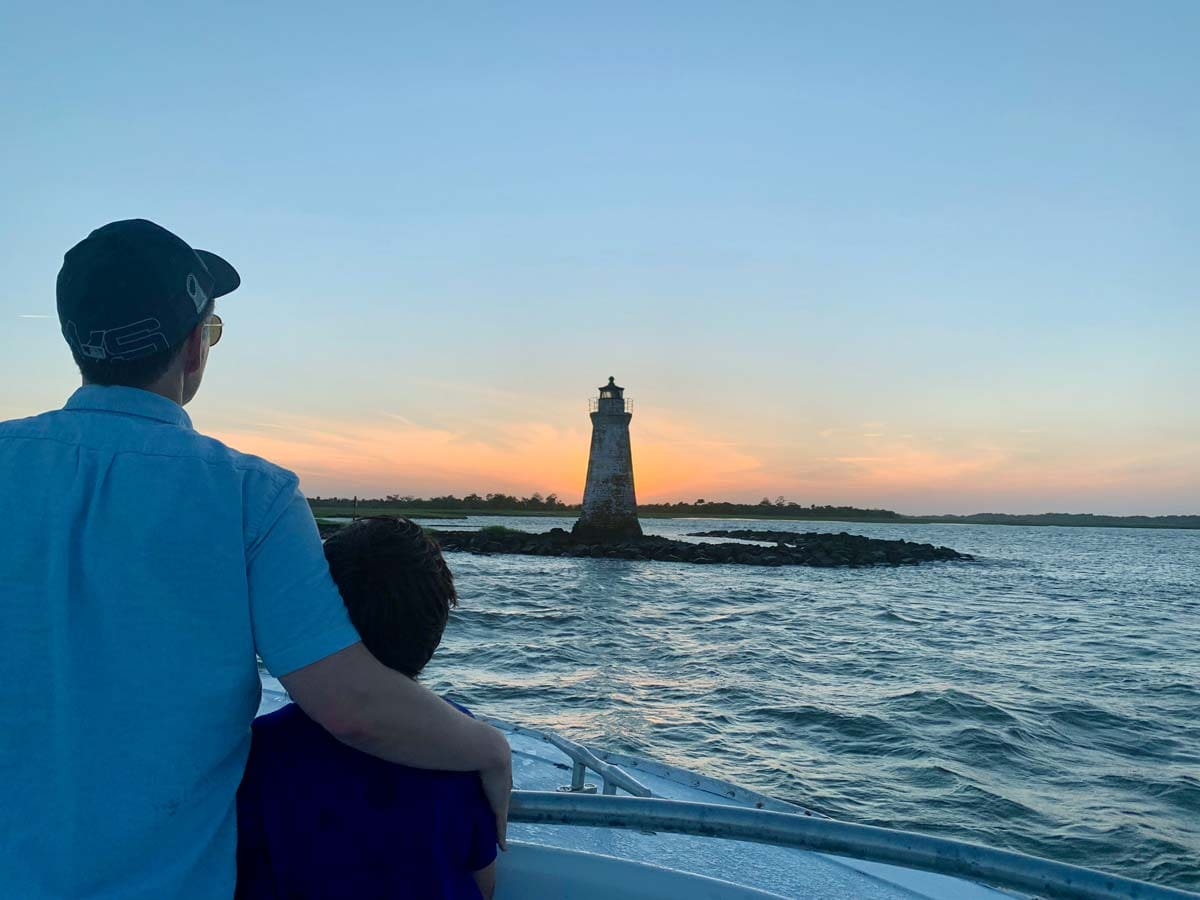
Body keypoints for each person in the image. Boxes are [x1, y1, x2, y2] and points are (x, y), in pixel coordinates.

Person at [0, 220, 511, 900]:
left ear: (75, 343)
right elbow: (351, 705)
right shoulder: (252, 495)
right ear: (191, 349)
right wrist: (489, 750)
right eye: (209, 332)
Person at [237, 517, 498, 899]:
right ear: (436, 624)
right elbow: (483, 884)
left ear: (313, 621)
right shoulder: (462, 743)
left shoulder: (261, 750)